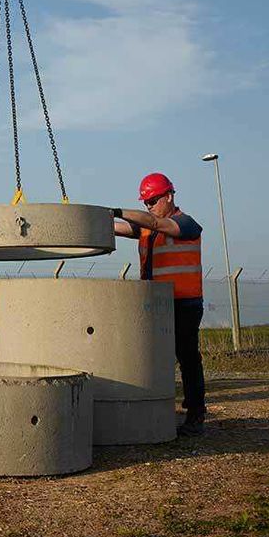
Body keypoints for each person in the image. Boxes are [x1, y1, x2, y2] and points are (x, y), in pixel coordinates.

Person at [113, 172, 206, 437]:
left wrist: (119, 210)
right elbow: (120, 228)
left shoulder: (185, 224)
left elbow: (155, 222)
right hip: (156, 302)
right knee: (155, 357)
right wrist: (97, 219)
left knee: (187, 357)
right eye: (146, 202)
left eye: (153, 200)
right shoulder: (147, 228)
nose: (149, 206)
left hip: (185, 303)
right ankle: (156, 409)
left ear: (169, 196)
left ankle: (196, 414)